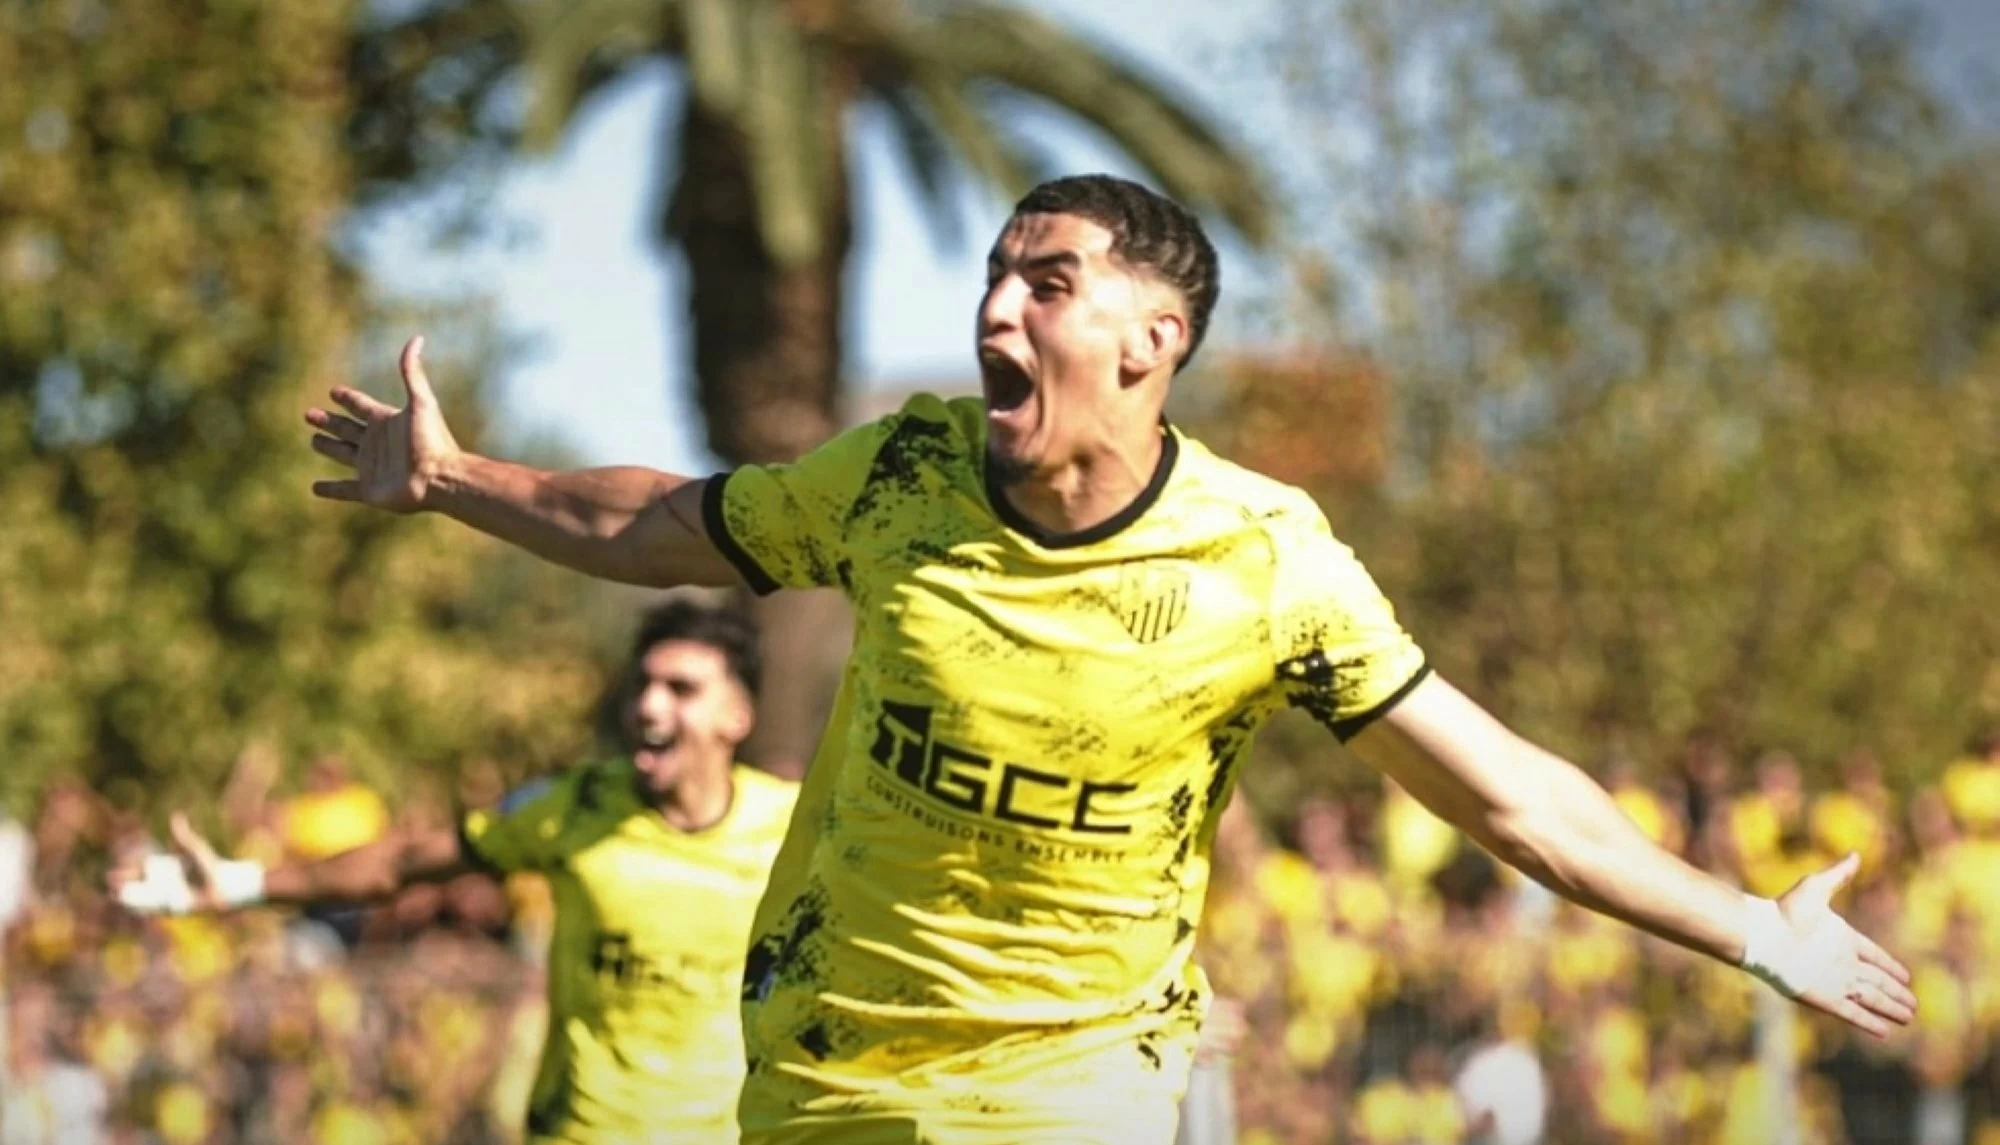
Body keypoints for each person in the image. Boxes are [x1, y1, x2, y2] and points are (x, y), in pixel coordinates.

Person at [300, 173, 1916, 1143]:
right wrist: (452, 477)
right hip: (827, 1068)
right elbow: (661, 522)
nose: (997, 311)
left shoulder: (1266, 561)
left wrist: (1748, 927)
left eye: (1049, 283)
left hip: (1077, 1083)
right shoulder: (901, 476)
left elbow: (1509, 800)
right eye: (995, 277)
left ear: (1157, 340)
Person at [113, 599, 798, 1144]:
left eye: (681, 689)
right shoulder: (574, 807)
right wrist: (240, 882)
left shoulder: (794, 827)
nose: (650, 705)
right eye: (643, 683)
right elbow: (403, 861)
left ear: (736, 715)